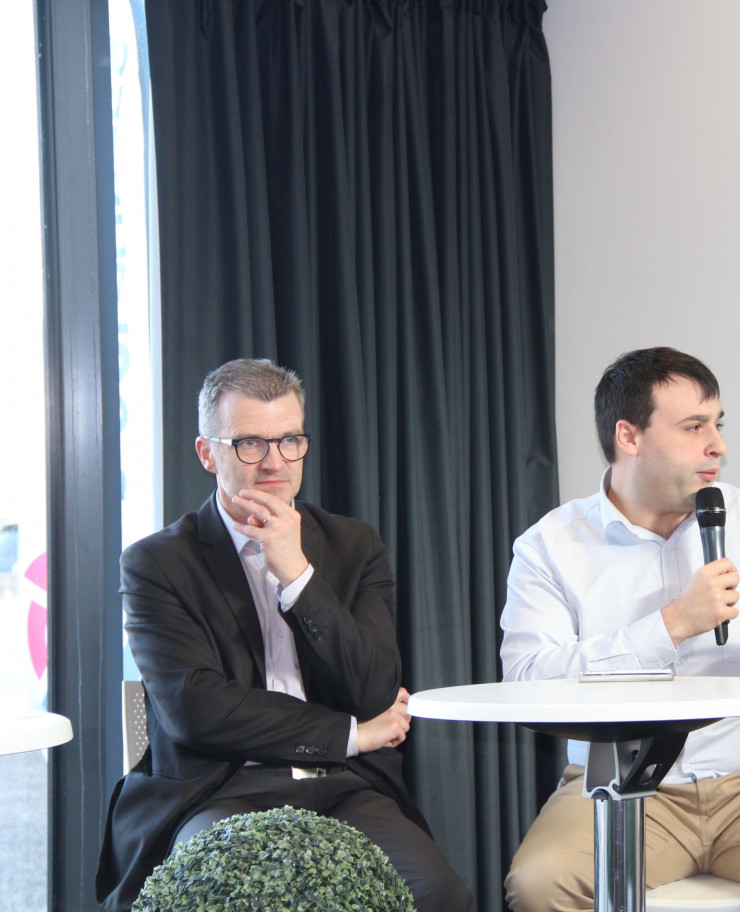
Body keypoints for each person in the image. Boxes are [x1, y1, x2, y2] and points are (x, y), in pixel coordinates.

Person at [499, 347, 740, 912]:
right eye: (694, 427)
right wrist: (670, 625)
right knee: (542, 886)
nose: (718, 446)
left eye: (718, 424)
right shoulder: (550, 546)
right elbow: (527, 682)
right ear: (629, 437)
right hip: (624, 785)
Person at [96, 359, 471, 912]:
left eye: (290, 440)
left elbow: (374, 688)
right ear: (208, 453)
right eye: (250, 443)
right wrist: (351, 734)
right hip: (219, 789)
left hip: (346, 786)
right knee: (231, 895)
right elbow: (197, 711)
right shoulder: (156, 563)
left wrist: (297, 575)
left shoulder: (353, 545)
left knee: (438, 895)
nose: (275, 462)